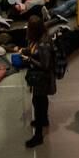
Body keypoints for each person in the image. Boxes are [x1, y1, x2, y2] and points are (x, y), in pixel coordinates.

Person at [23, 13, 55, 148]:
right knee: (42, 100)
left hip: (42, 78)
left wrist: (29, 59)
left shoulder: (43, 44)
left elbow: (45, 65)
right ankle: (44, 120)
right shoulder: (40, 38)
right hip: (42, 78)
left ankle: (38, 135)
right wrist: (28, 52)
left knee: (38, 102)